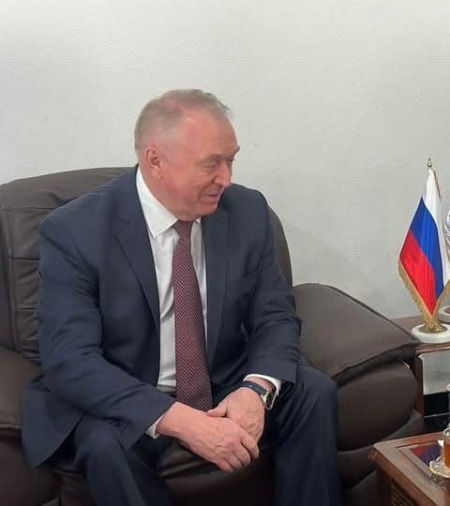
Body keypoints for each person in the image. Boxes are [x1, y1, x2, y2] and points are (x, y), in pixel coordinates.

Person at [21, 89, 341, 505]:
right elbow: (70, 358)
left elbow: (275, 315)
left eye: (231, 160)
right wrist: (181, 421)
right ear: (155, 160)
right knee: (104, 446)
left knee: (313, 392)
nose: (226, 178)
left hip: (224, 377)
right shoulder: (75, 231)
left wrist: (255, 389)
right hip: (129, 390)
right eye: (212, 163)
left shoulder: (247, 210)